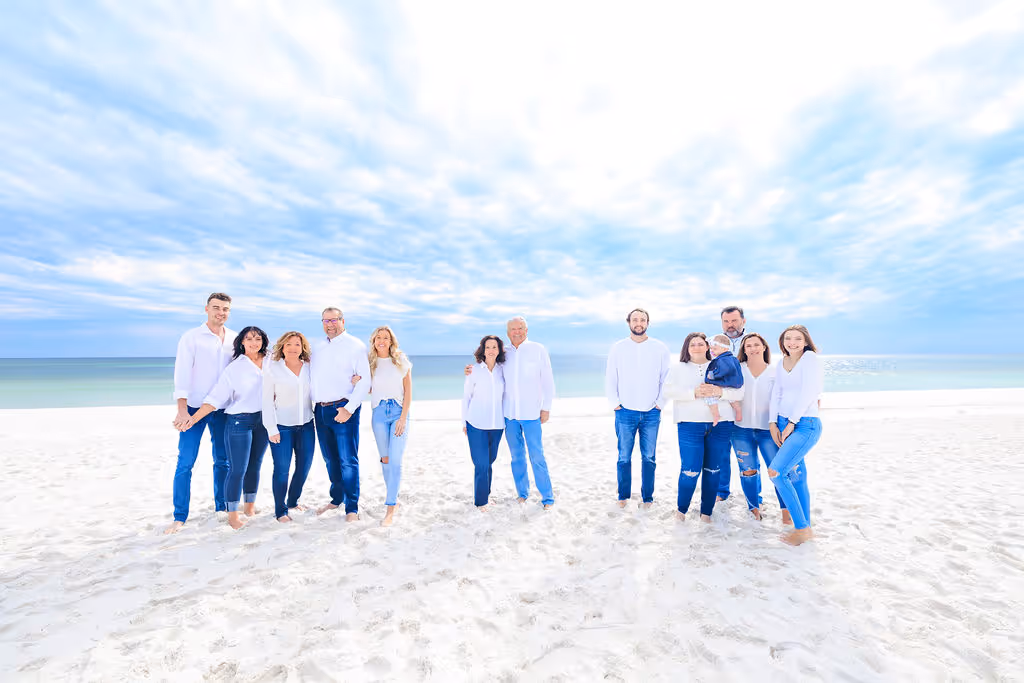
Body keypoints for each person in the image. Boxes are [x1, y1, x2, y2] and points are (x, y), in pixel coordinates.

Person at [181, 326, 271, 530]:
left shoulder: (271, 361)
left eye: (258, 339)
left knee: (254, 466)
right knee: (237, 469)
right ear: (241, 342)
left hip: (264, 421)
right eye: (249, 339)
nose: (254, 343)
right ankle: (232, 515)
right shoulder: (234, 368)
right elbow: (215, 399)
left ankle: (249, 508)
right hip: (239, 421)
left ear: (263, 342)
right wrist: (193, 419)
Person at [464, 316, 556, 509]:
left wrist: (546, 407)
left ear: (526, 330)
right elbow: (488, 368)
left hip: (532, 414)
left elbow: (548, 380)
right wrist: (470, 369)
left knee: (537, 456)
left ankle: (547, 497)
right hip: (508, 415)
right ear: (508, 333)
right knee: (517, 457)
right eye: (513, 329)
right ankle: (522, 493)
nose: (517, 332)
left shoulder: (538, 349)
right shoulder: (503, 352)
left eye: (520, 328)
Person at [165, 292, 235, 534]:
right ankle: (180, 516)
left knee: (223, 461)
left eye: (225, 309)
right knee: (185, 462)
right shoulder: (191, 337)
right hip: (194, 407)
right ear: (206, 309)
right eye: (216, 307)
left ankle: (222, 507)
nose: (220, 312)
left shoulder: (234, 338)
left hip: (223, 408)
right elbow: (182, 373)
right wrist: (182, 409)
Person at [664, 332, 744, 522]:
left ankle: (706, 513)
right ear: (687, 348)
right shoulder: (678, 368)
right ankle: (681, 511)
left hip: (721, 424)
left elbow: (739, 392)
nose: (697, 347)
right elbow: (667, 391)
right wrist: (694, 392)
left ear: (708, 346)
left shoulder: (721, 363)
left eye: (701, 344)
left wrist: (720, 392)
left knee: (713, 469)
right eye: (692, 344)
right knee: (690, 470)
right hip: (689, 424)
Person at [604, 308, 670, 509]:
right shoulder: (618, 347)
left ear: (648, 323)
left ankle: (647, 497)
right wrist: (615, 404)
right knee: (624, 456)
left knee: (649, 457)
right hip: (625, 411)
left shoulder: (659, 348)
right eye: (635, 319)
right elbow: (611, 377)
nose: (638, 323)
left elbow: (666, 378)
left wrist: (660, 404)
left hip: (651, 412)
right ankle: (623, 495)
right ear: (629, 322)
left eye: (642, 319)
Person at [310, 308, 371, 522]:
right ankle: (336, 499)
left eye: (334, 320)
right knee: (330, 459)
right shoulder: (317, 347)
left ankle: (352, 507)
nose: (330, 324)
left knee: (348, 460)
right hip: (320, 409)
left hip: (344, 407)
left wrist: (349, 408)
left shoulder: (355, 345)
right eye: (325, 320)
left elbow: (365, 380)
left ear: (342, 321)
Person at [768, 325, 825, 546]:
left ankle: (802, 528)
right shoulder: (781, 362)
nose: (792, 342)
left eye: (798, 339)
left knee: (777, 472)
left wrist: (792, 422)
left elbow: (809, 391)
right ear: (782, 342)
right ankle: (805, 527)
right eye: (788, 338)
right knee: (797, 476)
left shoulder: (810, 358)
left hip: (805, 425)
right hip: (783, 423)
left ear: (806, 341)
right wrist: (773, 422)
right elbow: (777, 393)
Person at [730, 333, 793, 523]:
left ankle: (785, 510)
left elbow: (786, 396)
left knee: (777, 471)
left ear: (764, 347)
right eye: (748, 345)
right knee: (748, 471)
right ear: (744, 349)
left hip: (769, 430)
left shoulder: (775, 371)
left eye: (756, 345)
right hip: (740, 429)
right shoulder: (737, 369)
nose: (753, 348)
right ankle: (754, 508)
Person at [262, 331, 315, 523]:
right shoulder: (273, 369)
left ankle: (292, 501)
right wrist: (271, 428)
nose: (293, 348)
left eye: (297, 344)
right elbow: (266, 401)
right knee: (282, 469)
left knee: (304, 467)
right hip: (281, 427)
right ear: (282, 347)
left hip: (307, 425)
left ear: (303, 348)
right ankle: (281, 511)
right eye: (289, 344)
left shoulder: (309, 367)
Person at [367, 325, 413, 527]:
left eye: (386, 337)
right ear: (374, 341)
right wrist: (356, 380)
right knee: (385, 459)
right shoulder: (370, 363)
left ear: (391, 341)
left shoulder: (400, 360)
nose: (382, 341)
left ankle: (390, 507)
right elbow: (367, 387)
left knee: (395, 460)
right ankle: (393, 497)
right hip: (378, 413)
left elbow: (408, 390)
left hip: (398, 411)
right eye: (378, 337)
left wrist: (403, 418)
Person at [462, 335, 506, 509]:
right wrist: (464, 422)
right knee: (480, 463)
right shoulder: (474, 370)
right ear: (483, 350)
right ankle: (481, 502)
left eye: (494, 347)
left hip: (497, 425)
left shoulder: (503, 370)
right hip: (476, 424)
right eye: (488, 347)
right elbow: (466, 397)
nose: (491, 350)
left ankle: (486, 495)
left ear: (499, 350)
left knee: (489, 461)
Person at [716, 305, 746, 502]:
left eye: (734, 320)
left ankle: (754, 496)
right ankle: (721, 492)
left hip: (746, 405)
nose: (730, 325)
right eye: (726, 321)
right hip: (723, 407)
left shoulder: (752, 341)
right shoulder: (716, 342)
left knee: (745, 455)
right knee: (721, 454)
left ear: (743, 321)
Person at [703, 333, 744, 427]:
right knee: (732, 398)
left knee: (709, 396)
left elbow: (723, 370)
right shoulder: (731, 358)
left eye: (715, 349)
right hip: (731, 382)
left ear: (725, 349)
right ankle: (738, 410)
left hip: (724, 381)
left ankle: (716, 414)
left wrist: (712, 375)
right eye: (711, 349)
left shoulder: (723, 360)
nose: (712, 351)